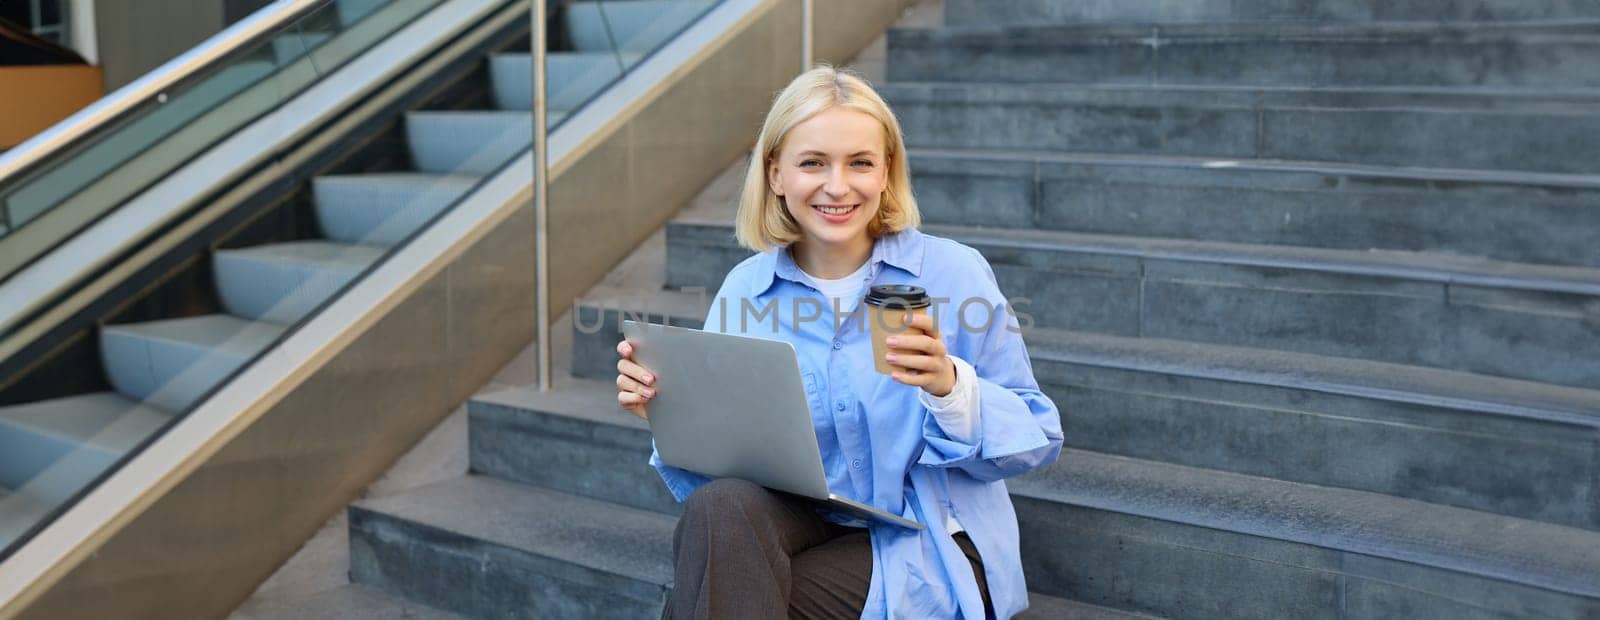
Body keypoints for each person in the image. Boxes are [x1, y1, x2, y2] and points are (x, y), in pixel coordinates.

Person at [616, 65, 1063, 619]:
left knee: (720, 590)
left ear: (886, 173)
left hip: (931, 541)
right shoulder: (747, 289)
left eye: (860, 163)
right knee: (719, 509)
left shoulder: (952, 273)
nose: (837, 186)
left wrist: (952, 389)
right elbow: (725, 468)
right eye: (812, 163)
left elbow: (1037, 436)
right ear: (775, 175)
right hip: (807, 520)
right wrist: (670, 409)